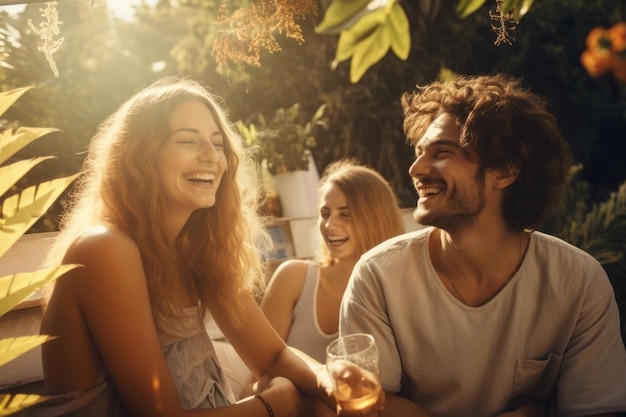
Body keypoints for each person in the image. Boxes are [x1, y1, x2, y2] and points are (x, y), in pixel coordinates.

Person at [30, 77, 345, 417]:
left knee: (325, 403)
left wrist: (332, 379)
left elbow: (272, 356)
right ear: (140, 156)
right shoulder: (105, 249)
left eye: (218, 143)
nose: (212, 157)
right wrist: (271, 405)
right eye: (187, 141)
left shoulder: (195, 251)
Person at [338, 74, 626, 417]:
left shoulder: (578, 281)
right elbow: (368, 408)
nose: (416, 168)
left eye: (443, 152)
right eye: (418, 153)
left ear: (504, 170)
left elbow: (597, 410)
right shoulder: (378, 276)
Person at [261, 159, 405, 363]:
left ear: (376, 219)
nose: (329, 225)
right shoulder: (293, 278)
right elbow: (258, 374)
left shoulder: (400, 291)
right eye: (325, 213)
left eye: (344, 214)